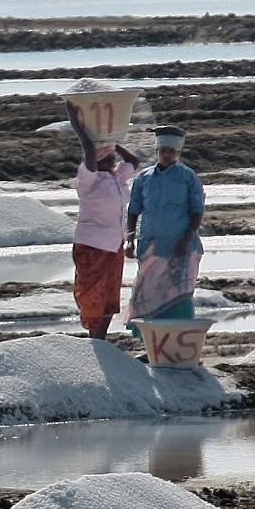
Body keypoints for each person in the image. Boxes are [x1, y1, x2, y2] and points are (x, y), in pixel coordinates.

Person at [68, 113, 139, 340]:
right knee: (91, 293)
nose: (110, 164)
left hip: (114, 245)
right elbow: (89, 153)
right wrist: (80, 128)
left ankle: (101, 338)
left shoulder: (116, 178)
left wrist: (112, 142)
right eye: (105, 160)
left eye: (111, 160)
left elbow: (133, 161)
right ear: (95, 162)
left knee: (109, 291)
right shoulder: (89, 181)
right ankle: (94, 336)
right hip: (92, 245)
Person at [126, 125, 205, 323]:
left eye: (171, 151)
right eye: (163, 150)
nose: (167, 154)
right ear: (157, 151)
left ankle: (180, 334)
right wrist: (129, 239)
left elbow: (197, 211)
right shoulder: (144, 178)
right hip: (151, 245)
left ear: (178, 153)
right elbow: (134, 209)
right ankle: (150, 336)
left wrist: (185, 239)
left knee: (178, 291)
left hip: (181, 247)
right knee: (148, 290)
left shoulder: (188, 177)